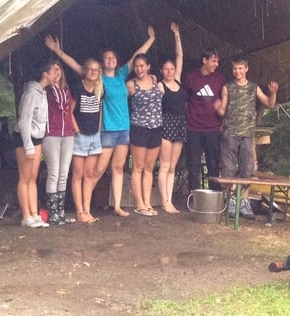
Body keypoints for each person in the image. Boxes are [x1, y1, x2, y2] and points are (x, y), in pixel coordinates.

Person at [46, 26, 156, 217]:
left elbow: (137, 57)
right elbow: (77, 66)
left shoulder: (122, 74)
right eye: (106, 58)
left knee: (119, 167)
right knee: (97, 170)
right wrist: (58, 51)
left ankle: (118, 206)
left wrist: (151, 40)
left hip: (124, 128)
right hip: (105, 129)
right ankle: (83, 207)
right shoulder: (98, 77)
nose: (110, 60)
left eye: (113, 58)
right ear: (102, 63)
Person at [221, 55, 278, 216]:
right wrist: (217, 109)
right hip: (230, 133)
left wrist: (273, 92)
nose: (237, 71)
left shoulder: (253, 87)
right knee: (229, 169)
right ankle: (231, 201)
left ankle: (243, 201)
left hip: (247, 134)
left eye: (240, 68)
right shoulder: (227, 87)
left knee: (247, 168)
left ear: (246, 69)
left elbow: (269, 104)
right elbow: (222, 110)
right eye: (234, 68)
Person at [15, 58, 60, 228]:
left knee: (33, 177)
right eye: (54, 71)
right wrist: (28, 145)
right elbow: (24, 121)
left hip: (38, 138)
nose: (57, 74)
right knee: (25, 177)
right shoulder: (31, 93)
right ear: (45, 74)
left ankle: (35, 214)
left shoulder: (43, 92)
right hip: (25, 138)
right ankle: (26, 216)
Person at [184, 47, 226, 192]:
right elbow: (185, 101)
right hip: (193, 128)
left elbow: (225, 102)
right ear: (205, 60)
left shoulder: (220, 78)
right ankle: (194, 198)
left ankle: (215, 198)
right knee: (193, 165)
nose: (217, 64)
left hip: (213, 129)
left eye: (218, 61)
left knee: (213, 165)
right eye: (214, 61)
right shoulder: (191, 77)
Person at [127, 53, 164, 216]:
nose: (139, 69)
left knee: (149, 168)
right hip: (139, 128)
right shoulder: (131, 84)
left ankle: (147, 202)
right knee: (138, 167)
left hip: (156, 127)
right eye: (136, 66)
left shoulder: (156, 80)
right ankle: (139, 203)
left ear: (148, 67)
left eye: (142, 65)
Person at [68, 58, 104, 224]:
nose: (93, 72)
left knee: (89, 175)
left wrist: (97, 130)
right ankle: (79, 211)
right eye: (90, 69)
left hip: (94, 136)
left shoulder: (99, 89)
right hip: (80, 135)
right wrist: (76, 130)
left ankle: (87, 210)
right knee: (78, 174)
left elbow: (100, 110)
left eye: (96, 70)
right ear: (84, 71)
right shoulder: (78, 88)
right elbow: (69, 111)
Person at [158, 22, 187, 213]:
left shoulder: (177, 79)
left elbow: (180, 56)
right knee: (165, 164)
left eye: (171, 69)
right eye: (166, 69)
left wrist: (177, 35)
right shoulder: (160, 85)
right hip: (166, 124)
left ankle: (170, 200)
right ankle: (164, 200)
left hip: (180, 124)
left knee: (173, 167)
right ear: (161, 70)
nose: (169, 72)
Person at [43, 61, 76, 225]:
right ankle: (52, 213)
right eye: (54, 69)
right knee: (54, 172)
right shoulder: (46, 91)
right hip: (52, 134)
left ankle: (61, 212)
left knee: (64, 173)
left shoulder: (66, 90)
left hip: (67, 134)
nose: (57, 72)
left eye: (59, 69)